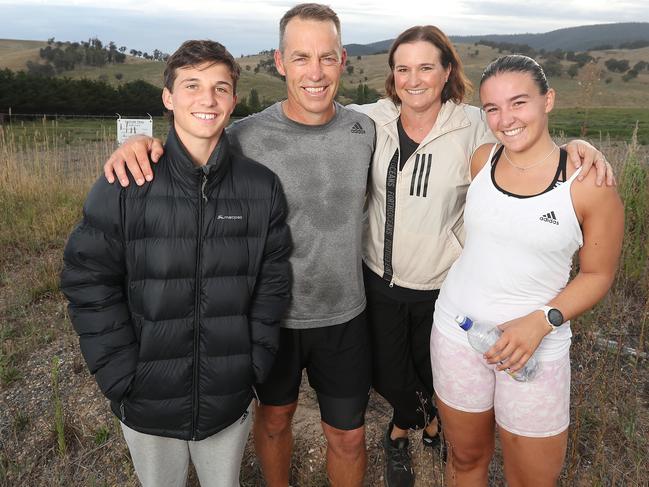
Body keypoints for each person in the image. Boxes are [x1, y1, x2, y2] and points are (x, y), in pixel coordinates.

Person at [103, 4, 375, 486]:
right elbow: (190, 148)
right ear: (279, 61)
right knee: (272, 423)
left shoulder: (365, 129)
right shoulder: (245, 136)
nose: (315, 72)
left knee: (350, 437)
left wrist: (557, 149)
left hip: (344, 316)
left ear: (343, 59)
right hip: (270, 319)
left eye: (327, 57)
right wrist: (138, 145)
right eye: (301, 57)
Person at [348, 26, 612, 487]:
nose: (505, 117)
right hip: (424, 307)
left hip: (488, 315)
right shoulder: (384, 123)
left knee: (519, 469)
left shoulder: (487, 133)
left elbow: (596, 271)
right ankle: (412, 423)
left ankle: (420, 423)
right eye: (403, 68)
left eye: (427, 67)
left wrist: (580, 147)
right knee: (433, 423)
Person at [60, 40, 292, 487]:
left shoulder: (261, 187)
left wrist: (252, 363)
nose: (207, 99)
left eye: (220, 88)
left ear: (234, 100)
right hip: (145, 397)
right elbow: (88, 280)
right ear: (168, 97)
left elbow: (273, 281)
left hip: (228, 393)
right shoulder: (126, 181)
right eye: (192, 85)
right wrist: (120, 373)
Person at [430, 54, 623, 486]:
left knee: (531, 480)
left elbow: (598, 275)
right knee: (465, 461)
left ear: (548, 100)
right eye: (493, 108)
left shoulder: (588, 183)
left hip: (535, 347)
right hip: (456, 332)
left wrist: (541, 322)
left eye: (519, 103)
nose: (505, 119)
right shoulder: (482, 161)